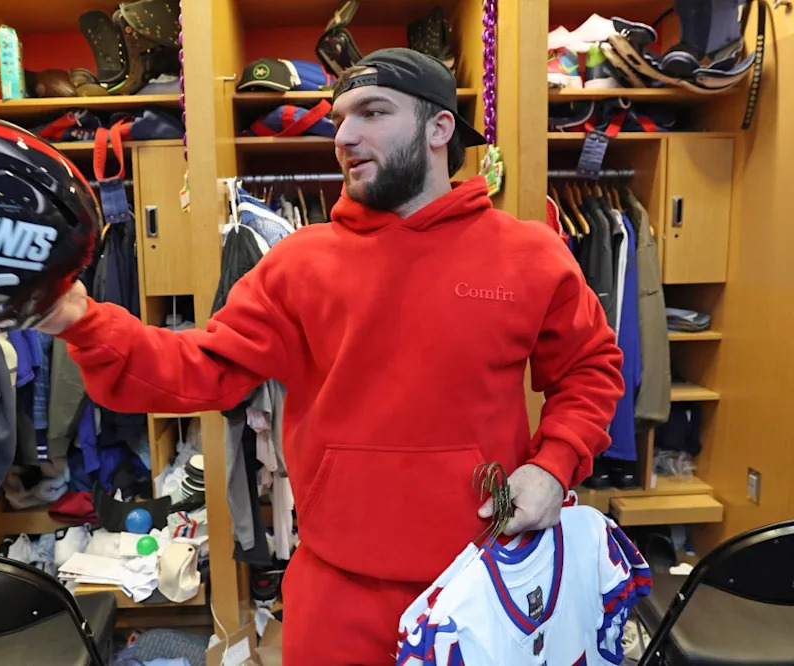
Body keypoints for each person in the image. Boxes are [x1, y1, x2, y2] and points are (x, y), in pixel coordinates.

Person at [38, 48, 624, 664]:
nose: (344, 135)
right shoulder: (298, 263)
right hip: (335, 590)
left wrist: (553, 464)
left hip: (480, 581)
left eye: (372, 112)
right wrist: (85, 322)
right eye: (340, 117)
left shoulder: (527, 253)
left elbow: (591, 367)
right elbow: (203, 369)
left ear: (439, 128)